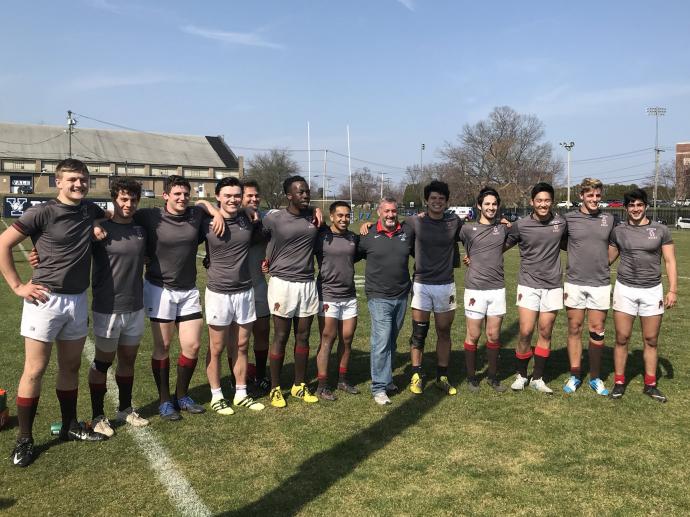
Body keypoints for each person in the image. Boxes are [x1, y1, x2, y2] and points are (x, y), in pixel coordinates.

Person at [0, 159, 108, 467]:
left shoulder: (90, 210)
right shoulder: (42, 212)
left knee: (70, 367)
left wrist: (99, 225)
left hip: (76, 299)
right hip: (44, 299)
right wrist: (18, 286)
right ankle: (24, 438)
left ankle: (70, 425)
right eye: (72, 179)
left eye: (83, 179)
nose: (79, 184)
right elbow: (3, 244)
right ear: (57, 182)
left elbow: (111, 215)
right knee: (34, 369)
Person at [134, 175, 224, 421]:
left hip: (188, 289)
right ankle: (164, 401)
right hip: (159, 289)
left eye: (186, 194)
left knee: (192, 346)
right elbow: (119, 218)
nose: (183, 198)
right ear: (165, 196)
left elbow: (205, 203)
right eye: (177, 194)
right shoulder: (150, 216)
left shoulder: (195, 215)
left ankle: (182, 396)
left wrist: (214, 211)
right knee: (162, 346)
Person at [87, 178, 150, 437]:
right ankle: (98, 416)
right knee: (103, 362)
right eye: (123, 199)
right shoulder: (100, 229)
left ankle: (125, 409)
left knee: (128, 361)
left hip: (135, 306)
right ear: (114, 198)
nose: (129, 204)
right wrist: (93, 222)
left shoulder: (141, 230)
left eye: (133, 199)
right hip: (107, 307)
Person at [608, 188, 677, 402]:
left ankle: (650, 384)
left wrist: (673, 289)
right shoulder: (619, 231)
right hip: (625, 289)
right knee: (622, 338)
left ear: (645, 206)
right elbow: (606, 259)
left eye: (639, 205)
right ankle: (619, 383)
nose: (635, 209)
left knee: (651, 339)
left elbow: (670, 261)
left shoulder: (660, 230)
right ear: (626, 208)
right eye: (631, 205)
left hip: (652, 290)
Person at [202, 177, 264, 414]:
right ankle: (216, 395)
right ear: (218, 196)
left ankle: (241, 393)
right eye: (227, 195)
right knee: (216, 347)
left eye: (237, 195)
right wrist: (211, 210)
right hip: (218, 292)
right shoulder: (205, 220)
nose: (233, 199)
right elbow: (195, 203)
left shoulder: (247, 218)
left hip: (245, 291)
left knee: (241, 345)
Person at [262, 176, 320, 408]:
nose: (305, 195)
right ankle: (275, 388)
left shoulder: (313, 217)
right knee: (281, 336)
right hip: (282, 283)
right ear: (289, 195)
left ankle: (298, 384)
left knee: (303, 335)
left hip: (306, 282)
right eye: (300, 192)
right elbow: (256, 234)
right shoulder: (274, 218)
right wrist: (264, 259)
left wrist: (316, 209)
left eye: (307, 192)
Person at [504, 182, 567, 394]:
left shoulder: (560, 223)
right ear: (532, 202)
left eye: (547, 200)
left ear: (552, 202)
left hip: (553, 285)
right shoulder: (521, 225)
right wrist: (475, 256)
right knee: (525, 331)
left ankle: (537, 378)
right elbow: (499, 245)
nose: (543, 204)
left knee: (545, 331)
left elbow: (576, 243)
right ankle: (521, 375)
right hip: (528, 284)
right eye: (539, 200)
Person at [403, 181, 462, 395]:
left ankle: (442, 376)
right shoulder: (414, 222)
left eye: (441, 199)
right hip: (421, 284)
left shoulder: (454, 221)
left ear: (446, 202)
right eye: (433, 198)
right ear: (426, 200)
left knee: (443, 331)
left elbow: (474, 234)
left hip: (445, 285)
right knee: (419, 332)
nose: (437, 202)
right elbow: (391, 228)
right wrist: (367, 227)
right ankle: (416, 374)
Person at [562, 178, 616, 396]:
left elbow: (616, 244)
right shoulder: (569, 219)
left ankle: (595, 377)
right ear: (581, 196)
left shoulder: (609, 219)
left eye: (597, 195)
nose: (594, 199)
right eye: (590, 195)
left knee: (597, 330)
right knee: (574, 328)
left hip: (600, 283)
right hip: (574, 281)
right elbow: (559, 241)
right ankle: (575, 374)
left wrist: (604, 263)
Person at [358, 197, 412, 405]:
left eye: (394, 211)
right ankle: (379, 387)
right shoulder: (368, 235)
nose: (390, 215)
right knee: (381, 342)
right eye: (386, 211)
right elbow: (352, 254)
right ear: (379, 212)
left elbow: (421, 220)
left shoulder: (406, 232)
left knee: (391, 341)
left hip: (401, 295)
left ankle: (387, 379)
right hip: (379, 296)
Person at [459, 187, 509, 393]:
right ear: (479, 206)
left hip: (497, 290)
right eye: (487, 204)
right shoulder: (466, 229)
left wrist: (508, 223)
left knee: (494, 335)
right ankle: (471, 377)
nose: (491, 207)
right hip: (475, 290)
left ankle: (493, 377)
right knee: (474, 334)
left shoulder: (504, 229)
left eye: (494, 204)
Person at [314, 201, 361, 401]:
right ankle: (322, 385)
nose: (344, 219)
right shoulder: (321, 236)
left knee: (347, 338)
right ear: (331, 217)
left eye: (347, 216)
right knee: (328, 339)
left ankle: (342, 379)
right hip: (327, 295)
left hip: (349, 296)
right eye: (340, 215)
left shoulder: (353, 238)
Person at [241, 180, 270, 393]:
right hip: (235, 289)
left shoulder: (266, 217)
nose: (254, 199)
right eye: (249, 196)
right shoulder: (229, 219)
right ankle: (238, 378)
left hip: (259, 285)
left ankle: (260, 375)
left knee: (262, 332)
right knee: (238, 339)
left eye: (256, 196)